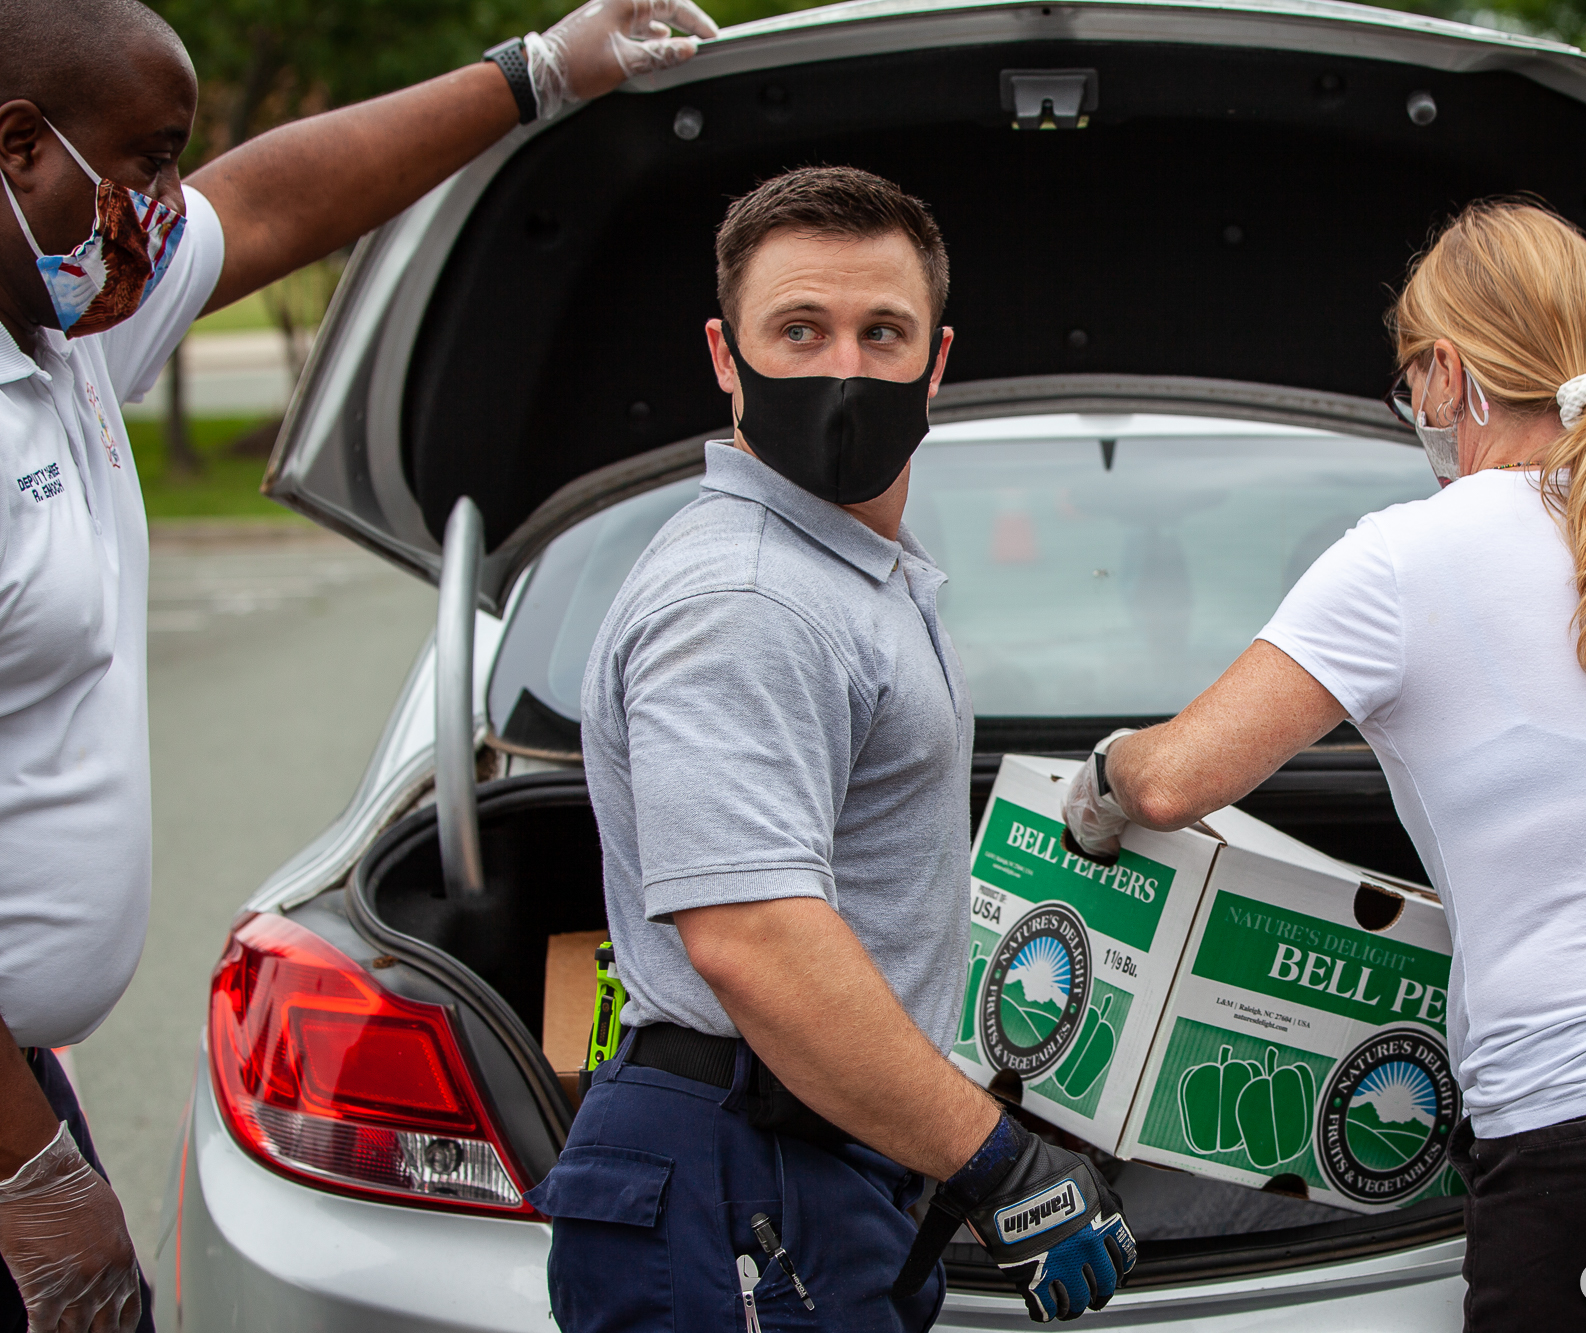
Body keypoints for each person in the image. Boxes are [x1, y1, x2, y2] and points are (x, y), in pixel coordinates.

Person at [1061, 201, 1586, 1331]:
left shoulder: (1402, 559)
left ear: (1447, 374)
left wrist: (1101, 780)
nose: (1414, 406)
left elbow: (1175, 781)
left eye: (1411, 378)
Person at [0, 2, 717, 1329]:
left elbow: (270, 203)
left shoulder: (65, 334)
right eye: (147, 164)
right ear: (19, 145)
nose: (165, 209)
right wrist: (32, 1180)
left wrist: (537, 74)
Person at [537, 166, 1137, 1331]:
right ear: (726, 355)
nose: (844, 368)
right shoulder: (747, 597)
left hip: (807, 1166)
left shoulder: (843, 574)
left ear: (937, 359)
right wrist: (1000, 1166)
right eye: (798, 330)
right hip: (740, 1190)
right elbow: (754, 940)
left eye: (882, 331)